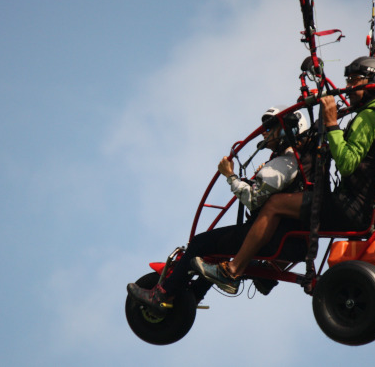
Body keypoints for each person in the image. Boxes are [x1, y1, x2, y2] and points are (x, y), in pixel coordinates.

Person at [193, 56, 375, 290]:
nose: (348, 88)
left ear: (373, 80)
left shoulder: (369, 117)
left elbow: (347, 163)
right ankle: (270, 270)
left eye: (353, 81)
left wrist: (331, 124)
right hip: (361, 205)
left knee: (276, 204)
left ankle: (233, 270)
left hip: (352, 207)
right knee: (290, 207)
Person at [126, 106, 310, 313]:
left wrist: (230, 176)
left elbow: (253, 199)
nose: (264, 132)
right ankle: (192, 296)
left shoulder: (286, 162)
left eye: (270, 126)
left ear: (289, 129)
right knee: (219, 248)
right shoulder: (293, 161)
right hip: (282, 237)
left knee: (199, 243)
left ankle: (161, 295)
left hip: (274, 238)